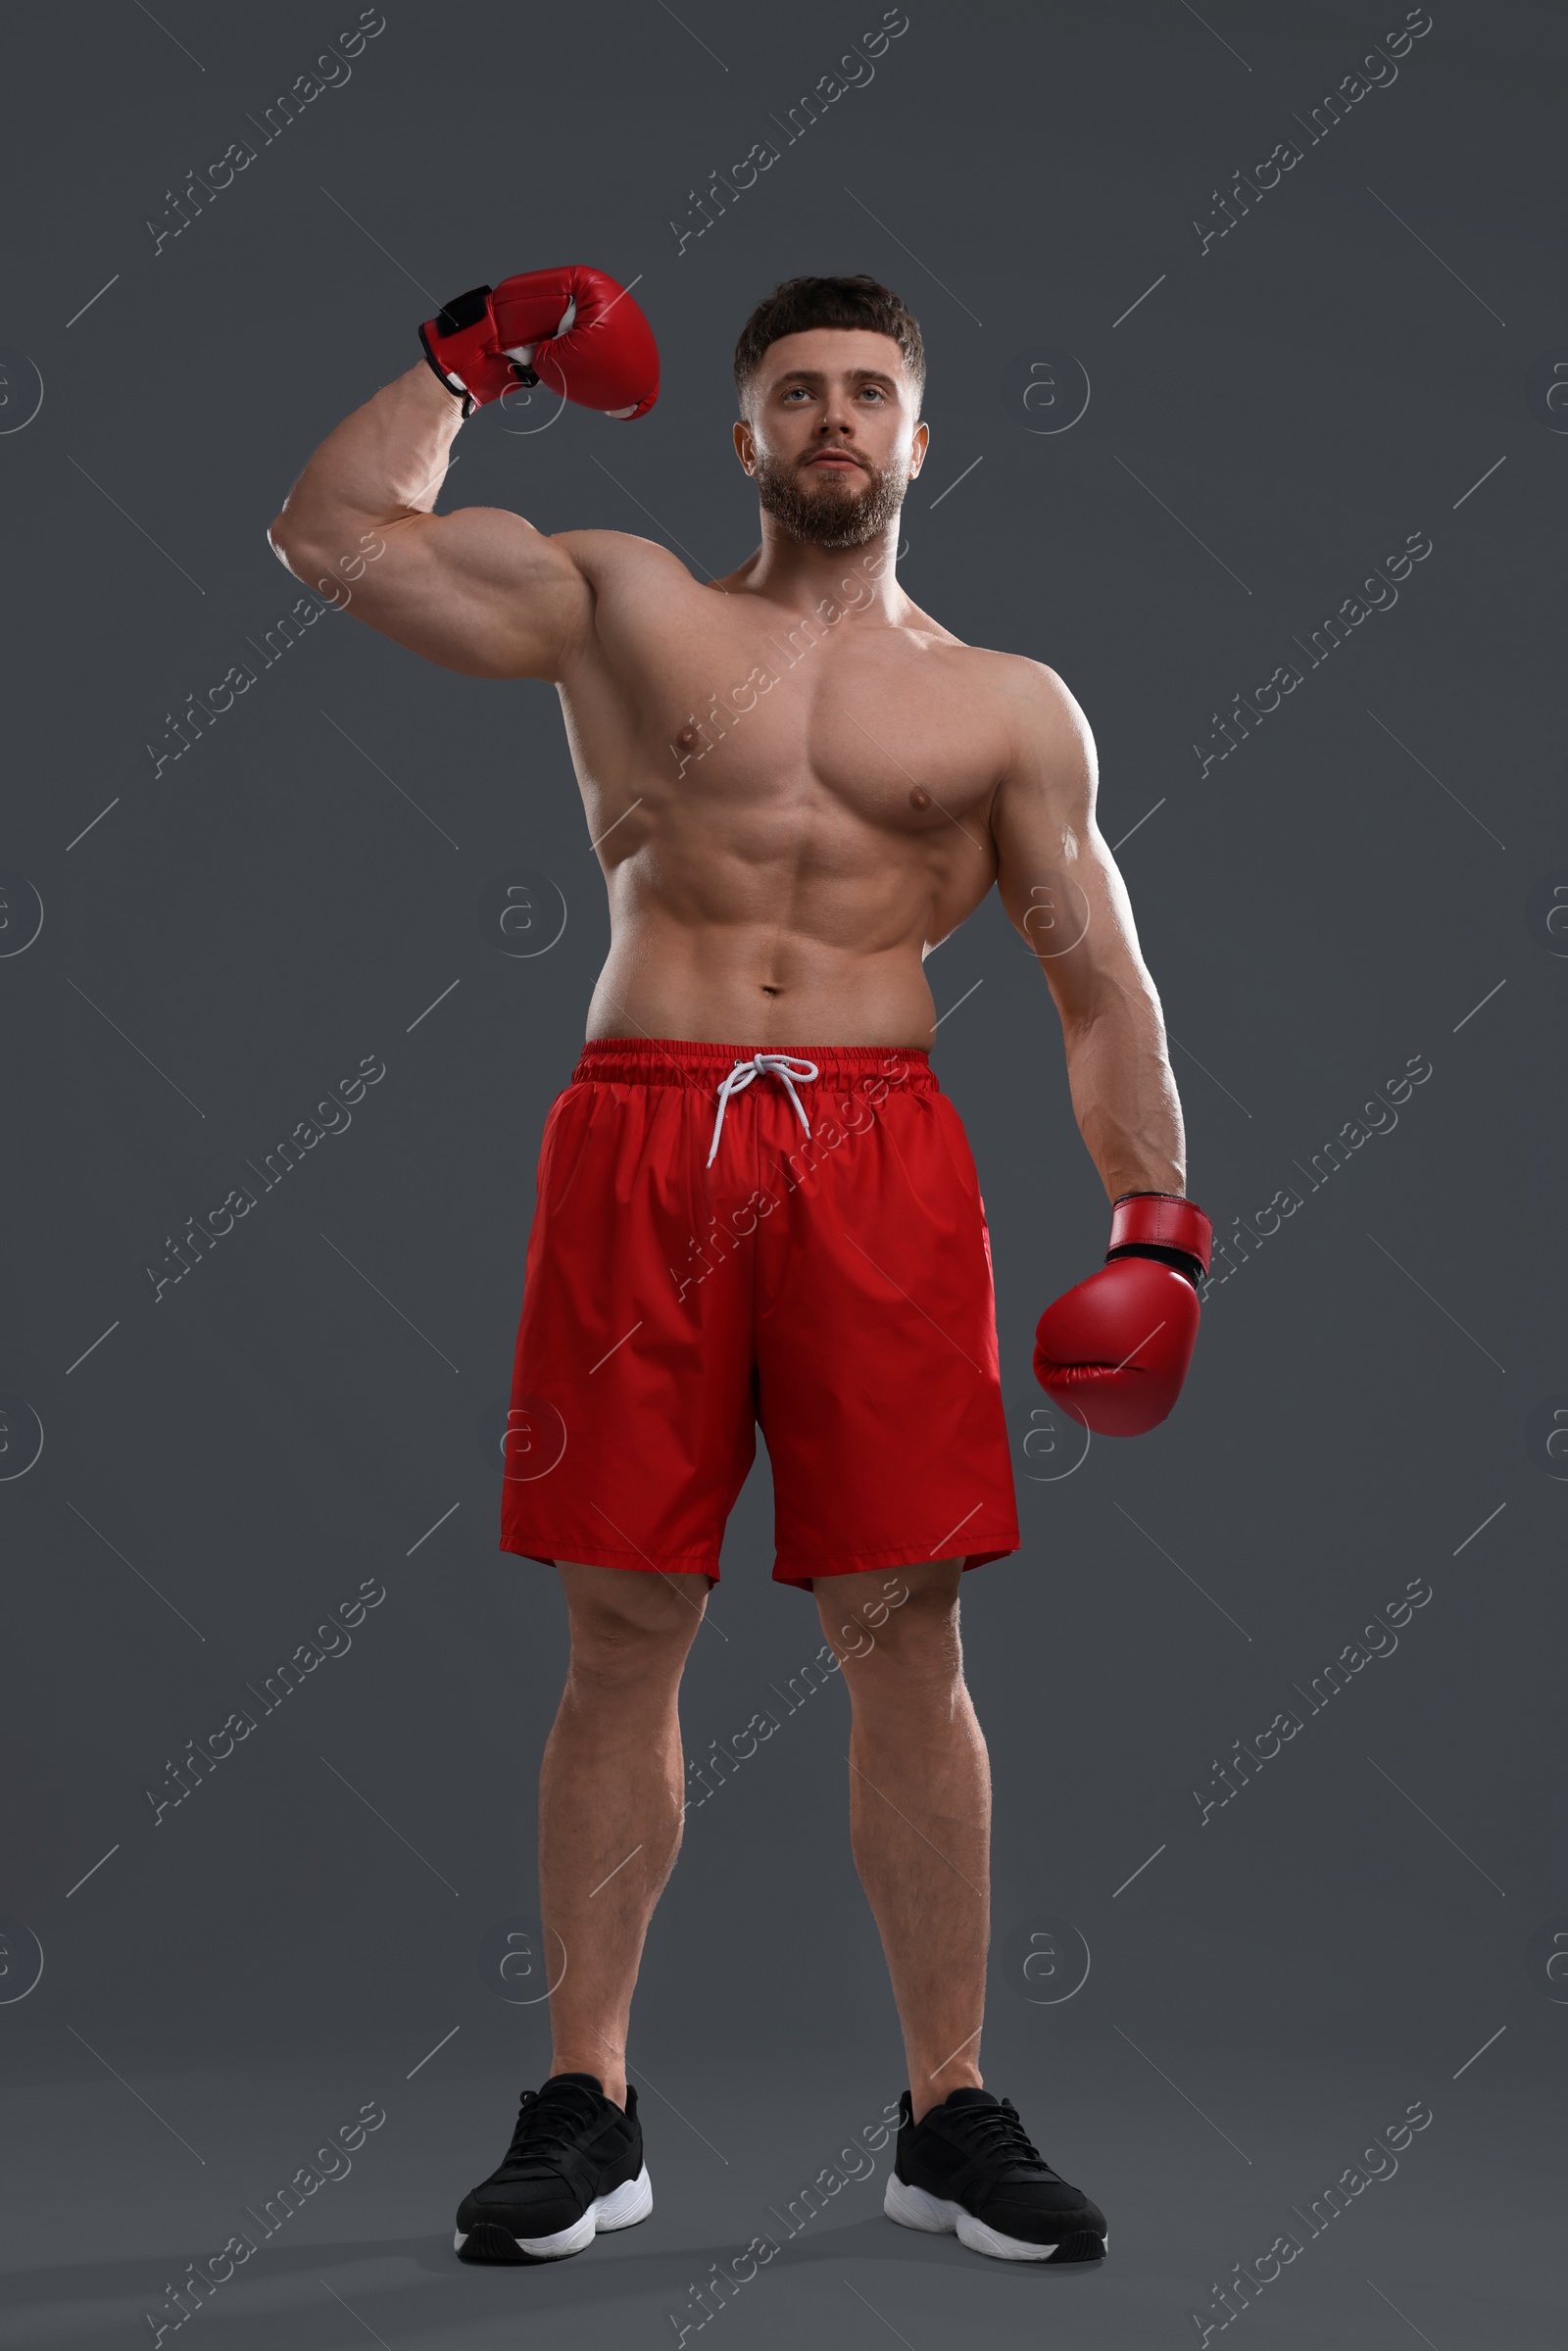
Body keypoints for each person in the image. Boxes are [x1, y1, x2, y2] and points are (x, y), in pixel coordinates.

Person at [269, 268, 1212, 2270]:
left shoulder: (1001, 705)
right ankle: (587, 2105)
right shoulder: (626, 607)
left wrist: (1158, 1224)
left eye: (869, 391)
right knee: (619, 1624)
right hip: (643, 1133)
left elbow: (1095, 982)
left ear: (920, 438)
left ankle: (945, 2109)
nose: (834, 421)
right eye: (797, 393)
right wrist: (467, 359)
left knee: (904, 1631)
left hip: (877, 1157)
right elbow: (334, 536)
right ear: (742, 436)